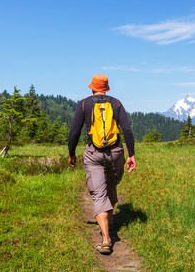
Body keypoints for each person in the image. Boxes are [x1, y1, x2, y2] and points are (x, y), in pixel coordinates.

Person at [68, 74, 136, 255]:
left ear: (92, 87)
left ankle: (106, 240)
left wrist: (71, 153)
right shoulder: (116, 103)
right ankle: (111, 222)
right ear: (106, 87)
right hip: (116, 152)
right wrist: (132, 154)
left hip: (94, 153)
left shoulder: (85, 104)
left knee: (99, 193)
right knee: (112, 183)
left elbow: (74, 131)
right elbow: (127, 129)